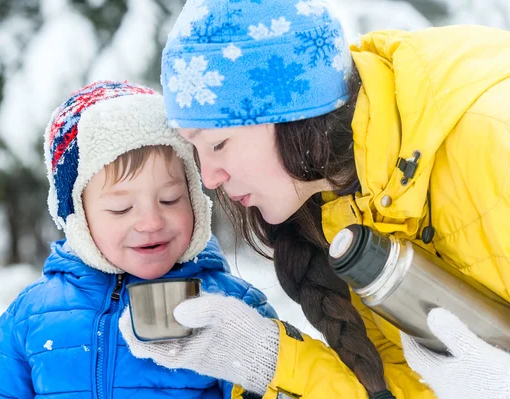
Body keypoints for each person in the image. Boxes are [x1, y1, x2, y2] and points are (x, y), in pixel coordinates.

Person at [119, 1, 510, 398]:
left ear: (294, 112)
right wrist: (266, 358)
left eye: (218, 143)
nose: (209, 177)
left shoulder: (494, 140)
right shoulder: (337, 210)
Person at [0, 81, 277, 399]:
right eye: (122, 208)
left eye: (171, 199)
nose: (150, 222)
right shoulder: (32, 316)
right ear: (79, 219)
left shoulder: (230, 307)